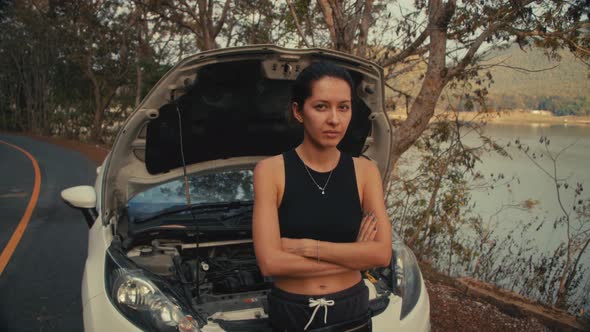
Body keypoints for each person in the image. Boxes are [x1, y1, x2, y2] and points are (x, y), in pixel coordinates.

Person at [252, 62, 392, 331]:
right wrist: (355, 258)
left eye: (343, 107)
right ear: (298, 111)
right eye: (321, 106)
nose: (334, 119)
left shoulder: (365, 171)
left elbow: (381, 254)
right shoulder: (270, 171)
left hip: (352, 309)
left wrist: (307, 248)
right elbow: (270, 263)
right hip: (293, 313)